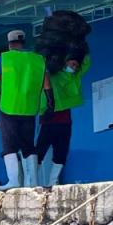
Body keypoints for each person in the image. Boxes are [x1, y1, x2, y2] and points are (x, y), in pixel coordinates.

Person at [0, 29, 45, 190]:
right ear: (23, 42)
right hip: (29, 109)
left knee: (9, 145)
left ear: (9, 44)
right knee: (28, 145)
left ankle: (14, 181)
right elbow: (46, 83)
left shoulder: (3, 59)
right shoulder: (37, 59)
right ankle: (33, 182)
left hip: (8, 108)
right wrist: (50, 98)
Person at [36, 55, 92, 186]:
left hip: (64, 120)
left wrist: (82, 51)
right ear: (65, 63)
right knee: (39, 151)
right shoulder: (51, 75)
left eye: (76, 65)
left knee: (61, 152)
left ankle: (53, 181)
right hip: (48, 118)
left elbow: (86, 64)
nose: (74, 67)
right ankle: (31, 180)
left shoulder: (74, 76)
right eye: (72, 64)